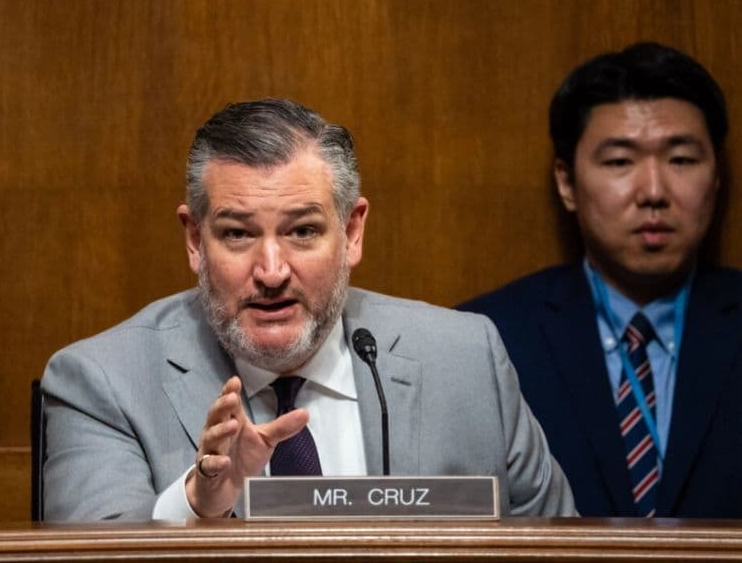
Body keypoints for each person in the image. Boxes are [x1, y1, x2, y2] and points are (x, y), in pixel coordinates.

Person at [41, 98, 575, 520]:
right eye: (237, 234)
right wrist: (198, 507)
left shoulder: (464, 360)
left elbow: (560, 548)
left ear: (352, 231)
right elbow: (92, 552)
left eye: (303, 231)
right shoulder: (101, 381)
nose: (272, 271)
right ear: (195, 241)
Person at [460, 42, 742, 517]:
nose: (653, 192)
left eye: (681, 160)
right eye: (619, 162)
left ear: (716, 179)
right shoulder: (487, 338)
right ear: (567, 183)